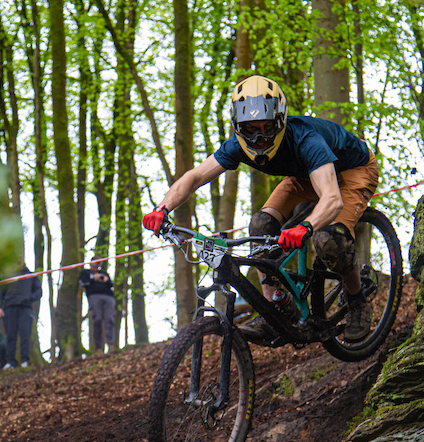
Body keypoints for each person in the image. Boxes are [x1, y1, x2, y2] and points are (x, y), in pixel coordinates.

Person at [142, 74, 378, 345]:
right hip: (304, 175)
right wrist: (162, 209)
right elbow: (195, 177)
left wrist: (306, 227)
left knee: (328, 239)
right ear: (238, 126)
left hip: (351, 171)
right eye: (251, 128)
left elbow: (332, 199)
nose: (259, 136)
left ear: (280, 120)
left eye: (266, 126)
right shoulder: (236, 146)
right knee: (260, 226)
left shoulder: (306, 140)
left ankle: (358, 301)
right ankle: (276, 305)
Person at [0, 262, 43, 367]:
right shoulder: (7, 276)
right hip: (9, 308)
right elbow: (0, 292)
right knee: (10, 335)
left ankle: (25, 360)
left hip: (25, 308)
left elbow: (38, 292)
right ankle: (10, 361)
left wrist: (29, 298)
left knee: (25, 334)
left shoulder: (30, 276)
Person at [79, 258, 117, 354]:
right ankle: (98, 348)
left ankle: (111, 345)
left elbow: (111, 284)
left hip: (108, 296)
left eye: (98, 264)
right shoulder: (85, 273)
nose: (96, 265)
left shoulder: (104, 272)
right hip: (94, 296)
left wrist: (106, 280)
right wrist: (93, 278)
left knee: (110, 319)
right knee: (98, 320)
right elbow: (84, 283)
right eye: (95, 263)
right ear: (90, 263)